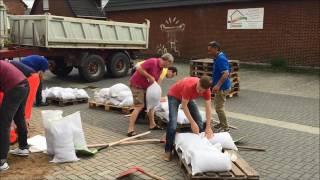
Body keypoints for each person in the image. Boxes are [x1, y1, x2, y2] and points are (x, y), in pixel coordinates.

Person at [164, 76, 214, 161]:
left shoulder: (207, 91)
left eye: (202, 91)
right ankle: (168, 150)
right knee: (173, 124)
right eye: (198, 88)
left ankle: (196, 146)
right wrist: (192, 123)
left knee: (199, 122)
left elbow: (208, 109)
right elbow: (184, 106)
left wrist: (208, 127)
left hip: (188, 97)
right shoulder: (189, 86)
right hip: (174, 96)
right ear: (198, 83)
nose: (199, 91)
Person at [127, 53, 174, 137]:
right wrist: (149, 76)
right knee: (139, 106)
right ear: (166, 61)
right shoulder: (153, 61)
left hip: (145, 87)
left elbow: (156, 82)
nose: (169, 66)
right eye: (169, 64)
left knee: (152, 104)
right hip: (136, 85)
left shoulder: (161, 68)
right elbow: (139, 68)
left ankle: (152, 125)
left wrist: (157, 95)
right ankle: (130, 130)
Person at [0, 61, 30, 171]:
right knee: (19, 117)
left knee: (3, 123)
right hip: (24, 85)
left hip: (15, 88)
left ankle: (1, 161)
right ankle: (23, 147)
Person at [207, 41, 231, 132]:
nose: (209, 53)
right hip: (220, 87)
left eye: (210, 50)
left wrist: (217, 85)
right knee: (218, 106)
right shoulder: (217, 58)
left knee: (219, 108)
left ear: (216, 49)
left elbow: (225, 73)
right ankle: (222, 123)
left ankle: (225, 127)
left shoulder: (221, 59)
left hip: (223, 88)